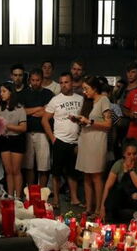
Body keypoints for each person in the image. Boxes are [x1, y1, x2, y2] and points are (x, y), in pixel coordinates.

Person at [42, 72, 83, 208]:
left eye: (66, 82)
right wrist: (53, 138)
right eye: (61, 83)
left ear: (72, 83)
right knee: (56, 172)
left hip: (75, 141)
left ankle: (74, 198)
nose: (64, 85)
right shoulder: (55, 100)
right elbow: (44, 120)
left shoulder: (80, 99)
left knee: (73, 172)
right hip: (59, 140)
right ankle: (56, 200)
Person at [76, 76, 113, 215]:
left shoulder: (104, 100)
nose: (84, 92)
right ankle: (88, 207)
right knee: (86, 175)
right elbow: (85, 121)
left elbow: (108, 124)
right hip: (85, 139)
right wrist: (78, 120)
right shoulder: (87, 102)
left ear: (95, 88)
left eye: (86, 89)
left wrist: (90, 122)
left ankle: (99, 207)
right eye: (83, 89)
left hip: (97, 141)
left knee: (96, 175)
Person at [100, 141, 137, 222]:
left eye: (135, 154)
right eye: (129, 154)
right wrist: (102, 207)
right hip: (123, 197)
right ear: (124, 154)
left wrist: (131, 170)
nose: (132, 157)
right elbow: (107, 186)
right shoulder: (118, 164)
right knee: (114, 193)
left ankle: (136, 215)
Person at [21, 69, 54, 188]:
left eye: (37, 80)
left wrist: (31, 111)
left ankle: (42, 192)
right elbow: (22, 111)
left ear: (42, 80)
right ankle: (31, 192)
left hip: (43, 133)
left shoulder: (48, 94)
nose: (35, 83)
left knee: (43, 166)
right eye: (33, 80)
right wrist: (38, 108)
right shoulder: (24, 93)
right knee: (28, 165)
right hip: (28, 132)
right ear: (30, 80)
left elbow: (48, 112)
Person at [0, 83, 27, 199]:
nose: (1, 94)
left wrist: (7, 126)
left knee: (16, 170)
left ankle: (18, 197)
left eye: (4, 91)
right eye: (0, 91)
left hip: (17, 139)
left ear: (11, 92)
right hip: (4, 140)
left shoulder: (20, 109)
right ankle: (10, 195)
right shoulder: (0, 108)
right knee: (8, 171)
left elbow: (23, 128)